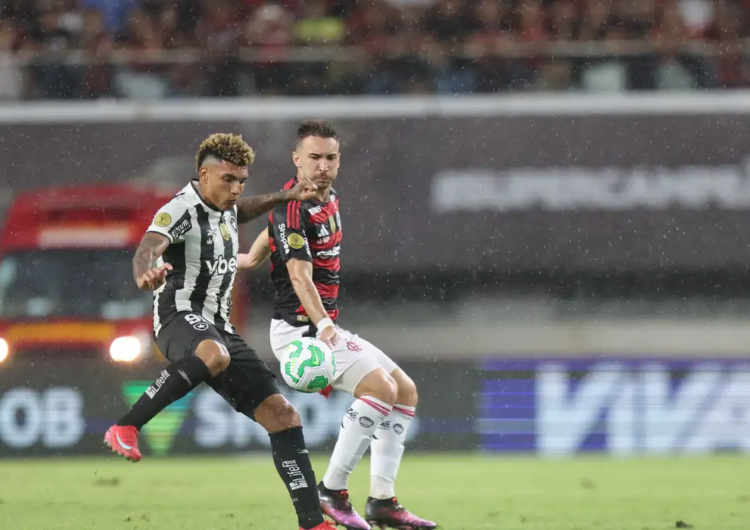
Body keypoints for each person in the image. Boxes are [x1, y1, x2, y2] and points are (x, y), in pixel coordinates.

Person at [104, 133, 336, 530]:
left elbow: (242, 209)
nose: (236, 189)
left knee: (283, 415)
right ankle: (126, 426)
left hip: (220, 328)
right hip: (180, 317)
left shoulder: (226, 204)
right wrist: (146, 272)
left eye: (241, 180)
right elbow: (148, 246)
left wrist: (284, 196)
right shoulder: (179, 209)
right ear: (203, 174)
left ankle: (312, 523)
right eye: (228, 179)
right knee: (213, 353)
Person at [238, 121, 437, 530]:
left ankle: (382, 501)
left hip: (322, 326)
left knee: (406, 392)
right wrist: (325, 326)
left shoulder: (327, 200)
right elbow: (299, 276)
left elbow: (264, 242)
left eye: (330, 157)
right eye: (314, 157)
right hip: (300, 332)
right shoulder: (291, 207)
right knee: (381, 388)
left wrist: (246, 259)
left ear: (338, 160)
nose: (323, 165)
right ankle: (332, 490)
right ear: (297, 160)